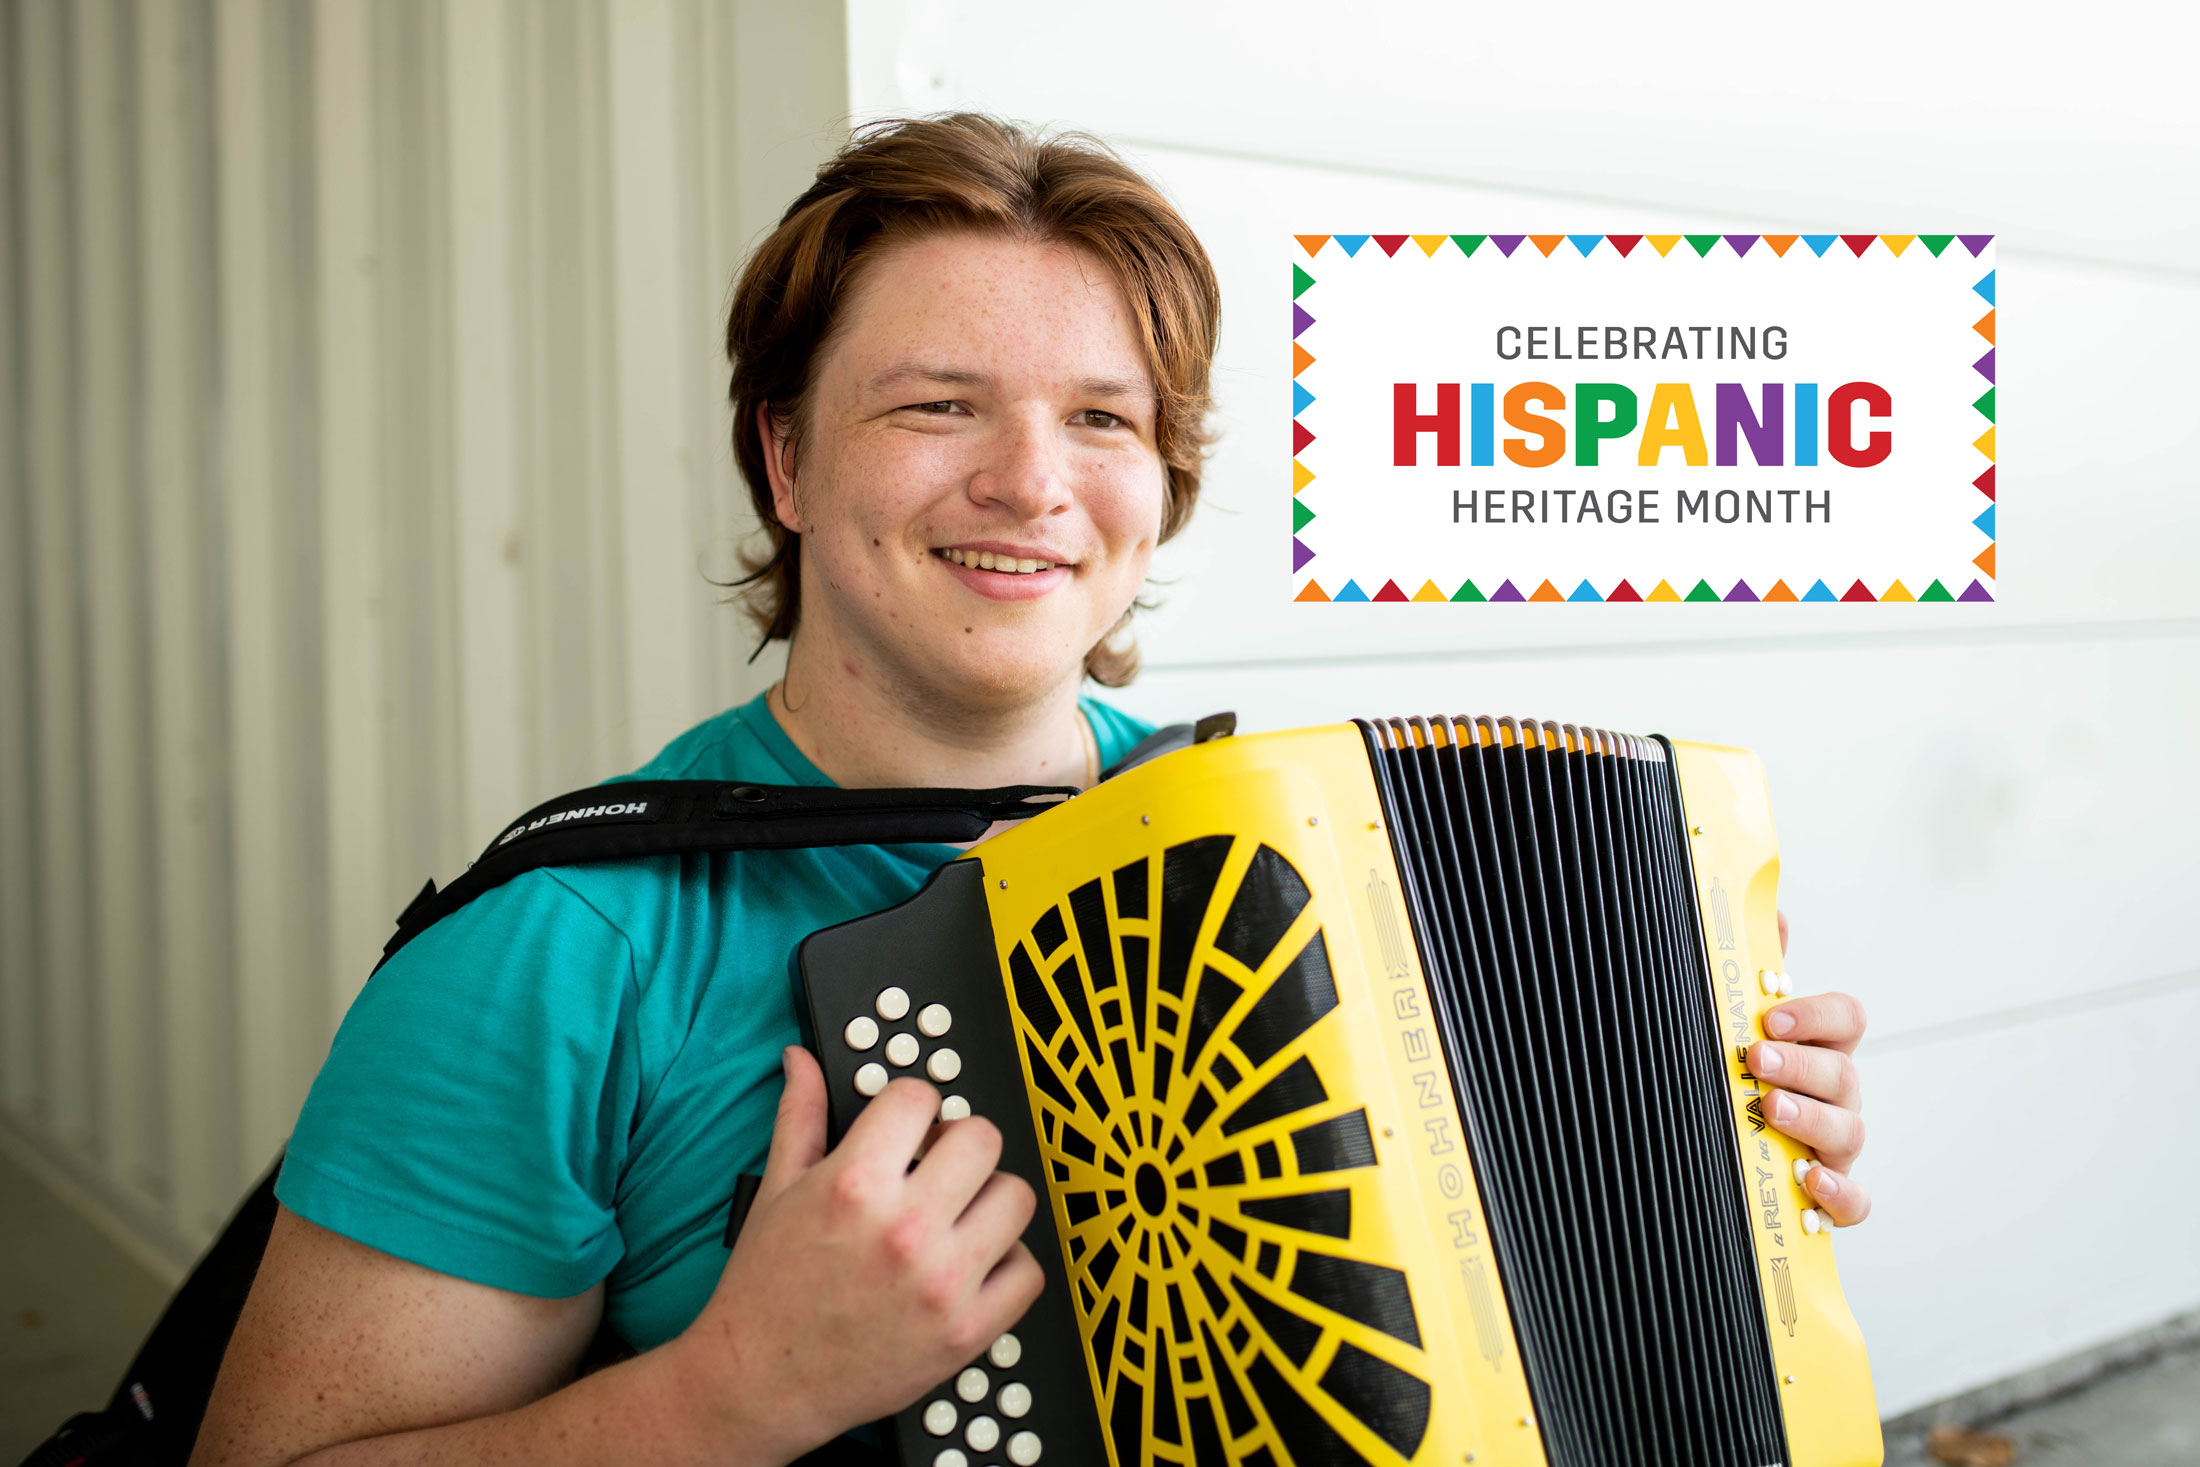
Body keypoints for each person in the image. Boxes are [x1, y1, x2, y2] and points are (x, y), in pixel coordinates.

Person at [189, 114, 1873, 1467]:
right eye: (938, 407)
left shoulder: (1303, 844)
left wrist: (1719, 1149)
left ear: (1164, 483)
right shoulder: (557, 950)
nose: (1030, 483)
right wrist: (727, 1403)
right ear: (785, 461)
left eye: (1103, 419)